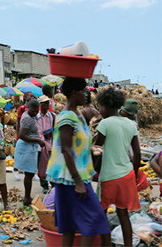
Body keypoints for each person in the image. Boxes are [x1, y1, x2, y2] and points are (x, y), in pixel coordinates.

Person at [45, 78, 111, 247]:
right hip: (71, 178)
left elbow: (75, 146)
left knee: (69, 225)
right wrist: (78, 182)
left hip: (77, 176)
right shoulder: (66, 117)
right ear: (74, 93)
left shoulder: (77, 114)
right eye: (83, 91)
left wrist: (90, 150)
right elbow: (66, 150)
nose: (86, 94)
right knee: (94, 219)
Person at [93, 88, 141, 247]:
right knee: (123, 214)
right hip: (126, 175)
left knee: (103, 214)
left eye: (100, 106)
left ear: (106, 106)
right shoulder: (131, 124)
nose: (99, 110)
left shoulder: (105, 123)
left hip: (109, 177)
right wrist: (133, 174)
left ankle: (106, 245)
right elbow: (137, 153)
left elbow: (96, 149)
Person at [14, 99, 46, 205]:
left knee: (30, 173)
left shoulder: (32, 116)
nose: (35, 113)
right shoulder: (27, 117)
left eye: (37, 111)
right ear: (28, 108)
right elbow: (21, 135)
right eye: (33, 111)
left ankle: (27, 197)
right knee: (29, 173)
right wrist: (37, 140)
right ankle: (27, 198)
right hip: (27, 147)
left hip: (31, 146)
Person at [36, 95, 56, 194]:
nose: (48, 104)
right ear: (41, 104)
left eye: (48, 102)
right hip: (40, 146)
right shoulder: (36, 117)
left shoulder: (52, 116)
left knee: (51, 165)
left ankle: (52, 184)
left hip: (50, 144)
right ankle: (44, 185)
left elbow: (55, 129)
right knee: (41, 166)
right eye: (46, 103)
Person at [14, 91, 35, 180]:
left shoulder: (34, 108)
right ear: (26, 97)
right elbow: (18, 122)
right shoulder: (22, 108)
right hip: (22, 133)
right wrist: (18, 134)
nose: (32, 97)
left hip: (31, 134)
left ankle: (29, 172)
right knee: (20, 153)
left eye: (33, 96)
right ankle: (15, 169)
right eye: (30, 96)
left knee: (30, 153)